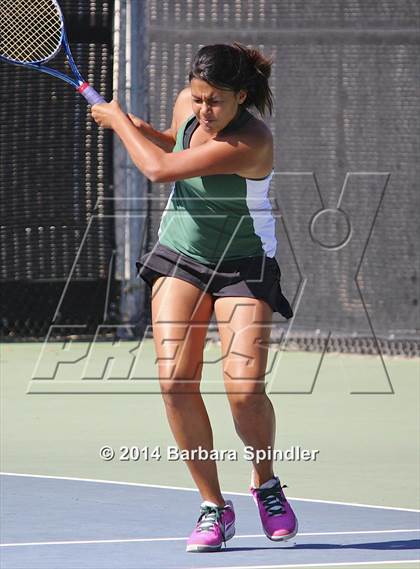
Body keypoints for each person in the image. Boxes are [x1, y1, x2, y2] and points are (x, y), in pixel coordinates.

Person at [91, 42, 297, 553]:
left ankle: (265, 483)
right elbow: (175, 147)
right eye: (199, 98)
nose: (203, 110)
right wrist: (144, 128)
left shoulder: (252, 140)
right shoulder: (188, 104)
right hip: (182, 253)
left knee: (245, 390)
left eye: (216, 102)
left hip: (244, 263)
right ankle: (214, 507)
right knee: (175, 381)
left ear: (241, 97)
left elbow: (161, 171)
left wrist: (117, 121)